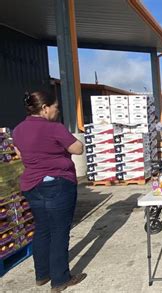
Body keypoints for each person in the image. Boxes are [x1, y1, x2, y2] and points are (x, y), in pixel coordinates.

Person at [12, 91, 87, 292]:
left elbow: (19, 153)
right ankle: (60, 278)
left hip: (32, 185)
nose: (57, 111)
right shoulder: (54, 128)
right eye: (56, 107)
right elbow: (78, 149)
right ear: (45, 108)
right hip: (58, 183)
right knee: (59, 230)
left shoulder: (18, 130)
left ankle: (42, 274)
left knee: (42, 228)